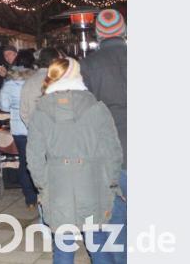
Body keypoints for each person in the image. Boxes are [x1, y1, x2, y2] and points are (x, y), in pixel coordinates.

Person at [27, 58, 122, 264]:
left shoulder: (40, 111)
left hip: (57, 184)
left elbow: (34, 157)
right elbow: (113, 152)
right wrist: (111, 183)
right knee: (97, 241)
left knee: (62, 246)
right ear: (77, 75)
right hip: (92, 183)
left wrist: (44, 185)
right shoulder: (97, 107)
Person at [80, 9, 127, 264]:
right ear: (124, 31)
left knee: (111, 223)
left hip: (107, 155)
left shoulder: (88, 65)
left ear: (99, 34)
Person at [0, 50, 37, 209]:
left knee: (24, 160)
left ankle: (30, 198)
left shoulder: (9, 84)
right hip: (37, 126)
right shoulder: (37, 81)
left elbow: (3, 107)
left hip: (20, 127)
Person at [19, 48, 62, 127]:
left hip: (37, 131)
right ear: (55, 61)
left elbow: (23, 112)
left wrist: (33, 128)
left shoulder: (29, 82)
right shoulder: (59, 80)